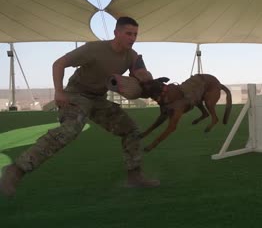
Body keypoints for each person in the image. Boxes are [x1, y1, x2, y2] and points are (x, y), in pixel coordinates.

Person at [0, 17, 159, 197]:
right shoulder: (94, 49)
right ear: (116, 33)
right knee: (70, 130)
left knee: (131, 130)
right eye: (128, 33)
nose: (132, 38)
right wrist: (59, 92)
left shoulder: (132, 55)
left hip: (98, 98)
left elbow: (140, 72)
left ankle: (135, 176)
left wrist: (146, 78)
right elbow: (59, 63)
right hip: (76, 94)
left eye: (135, 34)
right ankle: (16, 170)